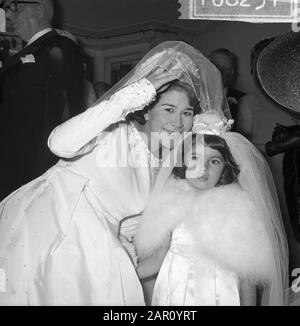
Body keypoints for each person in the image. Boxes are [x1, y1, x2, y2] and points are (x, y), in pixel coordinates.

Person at [0, 41, 223, 305]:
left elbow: (132, 229)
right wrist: (129, 97)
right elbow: (58, 143)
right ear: (147, 109)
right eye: (168, 109)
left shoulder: (165, 165)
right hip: (47, 235)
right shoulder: (113, 133)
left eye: (186, 113)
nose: (178, 122)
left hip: (93, 252)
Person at [134, 112, 289, 306]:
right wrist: (123, 272)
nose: (203, 168)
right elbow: (157, 259)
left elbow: (246, 274)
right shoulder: (170, 201)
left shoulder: (237, 207)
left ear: (225, 167)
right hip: (174, 291)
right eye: (195, 158)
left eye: (214, 161)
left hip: (220, 293)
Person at [0, 0, 85, 200]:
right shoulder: (27, 54)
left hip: (30, 178)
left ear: (39, 9)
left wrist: (40, 182)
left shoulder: (60, 47)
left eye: (15, 7)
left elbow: (62, 118)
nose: (9, 16)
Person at [209, 48, 245, 124]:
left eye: (224, 68)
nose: (219, 71)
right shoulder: (192, 96)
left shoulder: (243, 100)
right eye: (215, 66)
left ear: (231, 73)